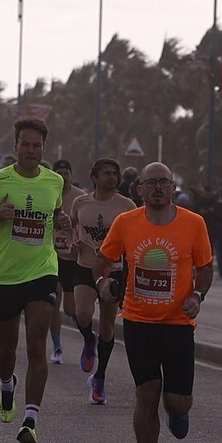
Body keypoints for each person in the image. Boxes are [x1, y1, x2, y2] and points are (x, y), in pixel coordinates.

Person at [94, 161, 213, 443]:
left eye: (165, 182)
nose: (158, 187)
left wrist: (198, 295)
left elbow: (205, 267)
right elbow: (103, 260)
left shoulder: (194, 223)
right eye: (152, 183)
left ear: (173, 188)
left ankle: (177, 411)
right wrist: (103, 283)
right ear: (140, 189)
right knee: (146, 393)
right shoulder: (126, 223)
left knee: (176, 401)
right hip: (138, 321)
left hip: (177, 323)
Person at [0, 118, 69, 443]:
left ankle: (30, 419)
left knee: (36, 343)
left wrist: (61, 219)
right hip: (5, 275)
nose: (30, 150)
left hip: (42, 271)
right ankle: (6, 384)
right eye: (25, 144)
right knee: (6, 347)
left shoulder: (54, 182)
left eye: (36, 145)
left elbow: (54, 215)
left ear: (44, 148)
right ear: (15, 146)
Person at [71, 158, 136, 404]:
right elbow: (71, 225)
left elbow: (133, 238)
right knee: (83, 314)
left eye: (115, 174)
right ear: (95, 178)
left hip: (114, 270)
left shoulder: (127, 205)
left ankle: (99, 378)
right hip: (85, 266)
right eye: (107, 173)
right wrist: (73, 241)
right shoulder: (81, 202)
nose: (112, 177)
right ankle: (88, 339)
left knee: (108, 328)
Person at [49, 160, 87, 365]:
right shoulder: (47, 192)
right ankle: (57, 347)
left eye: (66, 173)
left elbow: (86, 225)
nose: (63, 177)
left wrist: (77, 241)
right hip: (52, 258)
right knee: (53, 305)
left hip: (73, 258)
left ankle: (89, 339)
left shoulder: (80, 198)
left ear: (71, 175)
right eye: (59, 173)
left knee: (71, 310)